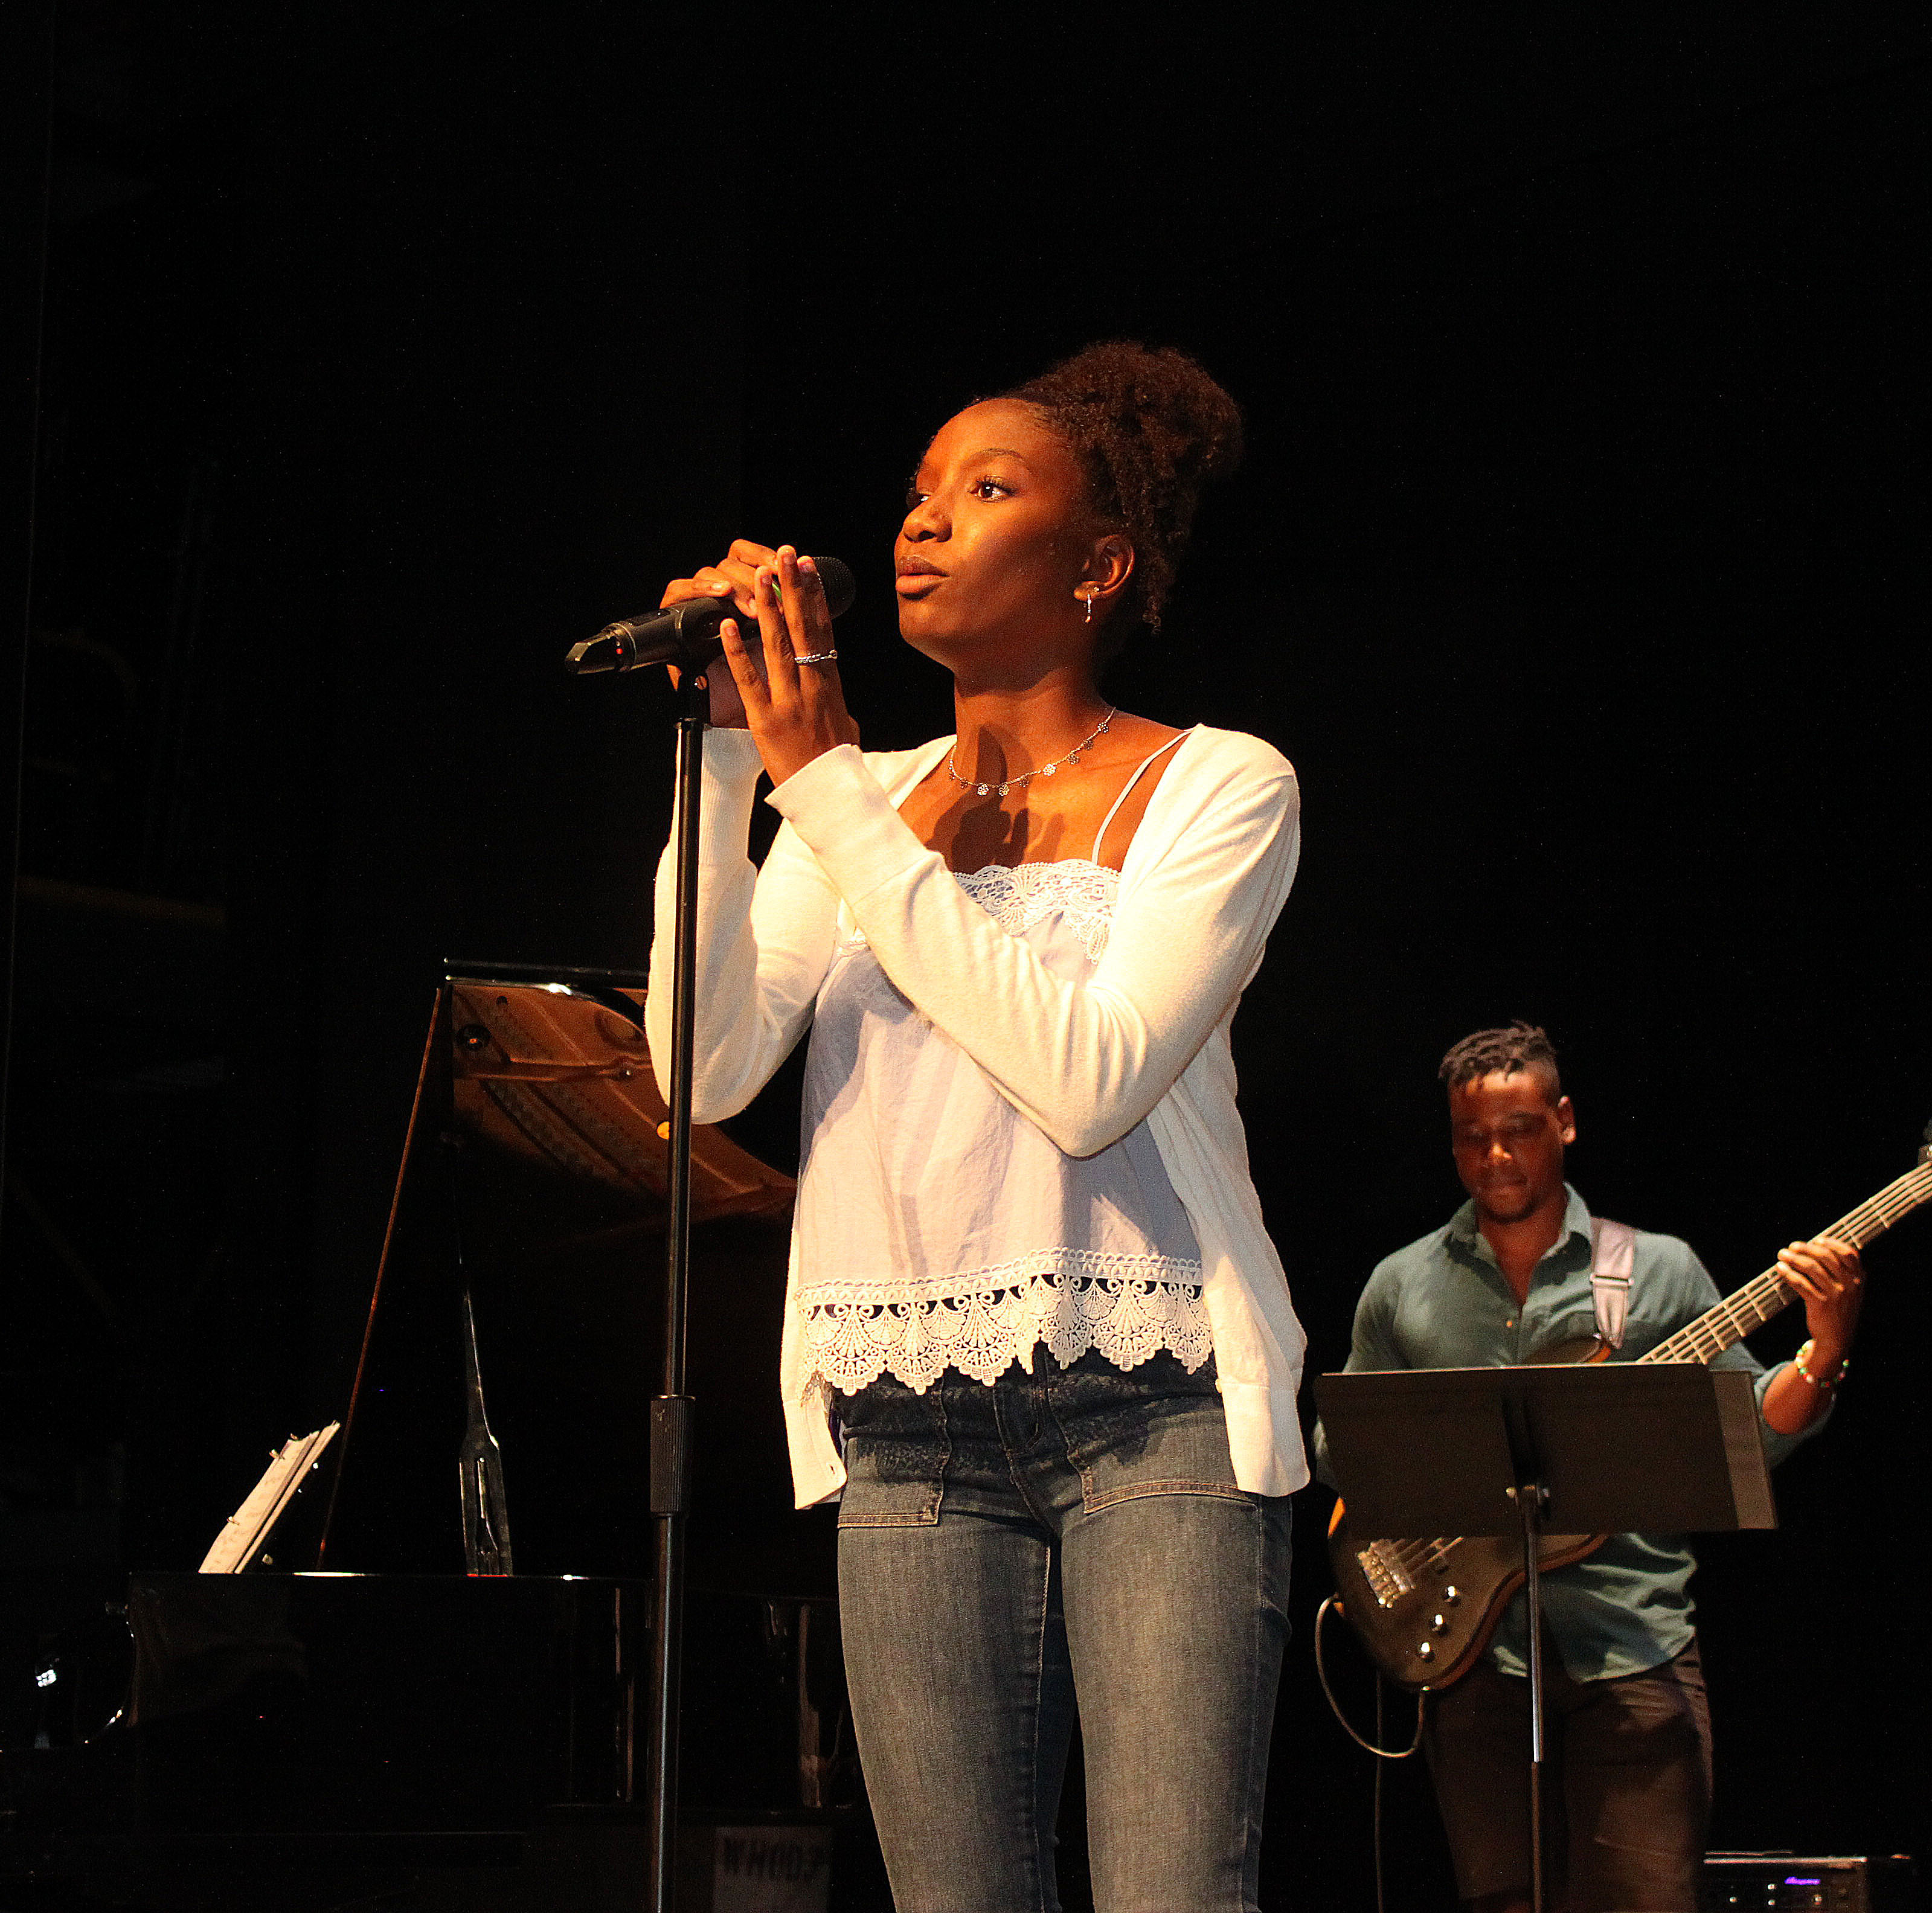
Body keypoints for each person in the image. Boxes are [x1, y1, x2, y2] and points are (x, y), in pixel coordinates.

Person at [647, 342, 1303, 1913]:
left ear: (1099, 566)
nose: (924, 522)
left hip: (1152, 1403)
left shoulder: (1220, 785)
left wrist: (827, 791)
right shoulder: (854, 797)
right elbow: (702, 1065)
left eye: (987, 489)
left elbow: (1090, 1079)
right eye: (920, 492)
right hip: (905, 1420)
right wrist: (732, 758)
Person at [1335, 1024, 1865, 1913]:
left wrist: (1824, 1353)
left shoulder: (1656, 1270)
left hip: (1633, 1647)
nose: (1495, 1155)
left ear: (1567, 1121)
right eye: (1472, 1136)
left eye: (1520, 1129)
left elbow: (1754, 1435)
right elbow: (1344, 1449)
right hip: (1476, 1664)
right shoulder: (1402, 1285)